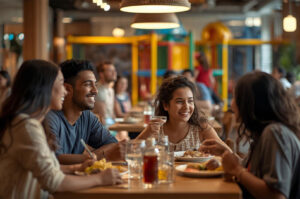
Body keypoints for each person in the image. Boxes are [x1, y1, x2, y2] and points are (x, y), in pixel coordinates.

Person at [0, 60, 121, 199]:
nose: (65, 90)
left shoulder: (31, 122)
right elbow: (53, 182)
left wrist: (76, 168)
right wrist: (101, 179)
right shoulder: (26, 126)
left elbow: (47, 167)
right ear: (44, 87)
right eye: (61, 84)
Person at [201, 71, 300, 199]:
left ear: (251, 104)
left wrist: (237, 169)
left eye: (236, 98)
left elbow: (277, 196)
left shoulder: (275, 133)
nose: (232, 104)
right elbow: (255, 172)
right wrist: (226, 152)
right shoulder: (265, 132)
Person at [46, 59, 125, 165]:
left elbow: (112, 144)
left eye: (95, 85)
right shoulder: (50, 118)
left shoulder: (86, 116)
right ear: (68, 89)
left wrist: (92, 157)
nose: (95, 91)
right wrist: (93, 158)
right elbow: (54, 160)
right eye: (88, 85)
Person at [137, 76, 230, 151]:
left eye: (190, 101)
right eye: (179, 101)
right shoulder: (156, 127)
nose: (186, 107)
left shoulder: (201, 127)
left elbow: (228, 154)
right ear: (165, 105)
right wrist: (149, 132)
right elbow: (131, 151)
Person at [94, 61, 117, 125]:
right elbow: (103, 117)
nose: (114, 73)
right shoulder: (97, 90)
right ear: (101, 74)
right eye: (110, 71)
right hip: (102, 127)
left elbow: (111, 114)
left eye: (114, 70)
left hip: (111, 124)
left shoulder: (111, 90)